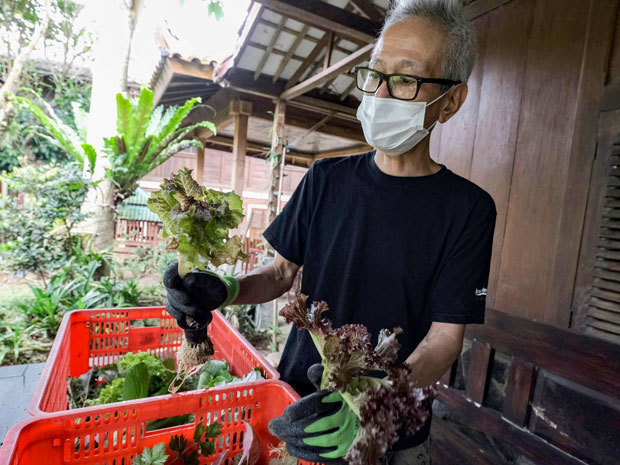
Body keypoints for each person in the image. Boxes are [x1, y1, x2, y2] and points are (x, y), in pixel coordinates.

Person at [163, 0, 497, 463]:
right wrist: (227, 289)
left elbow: (444, 340)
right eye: (376, 73)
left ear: (451, 102)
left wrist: (372, 398)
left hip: (390, 433)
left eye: (404, 78)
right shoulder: (325, 180)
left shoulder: (468, 210)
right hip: (299, 405)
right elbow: (280, 276)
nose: (380, 93)